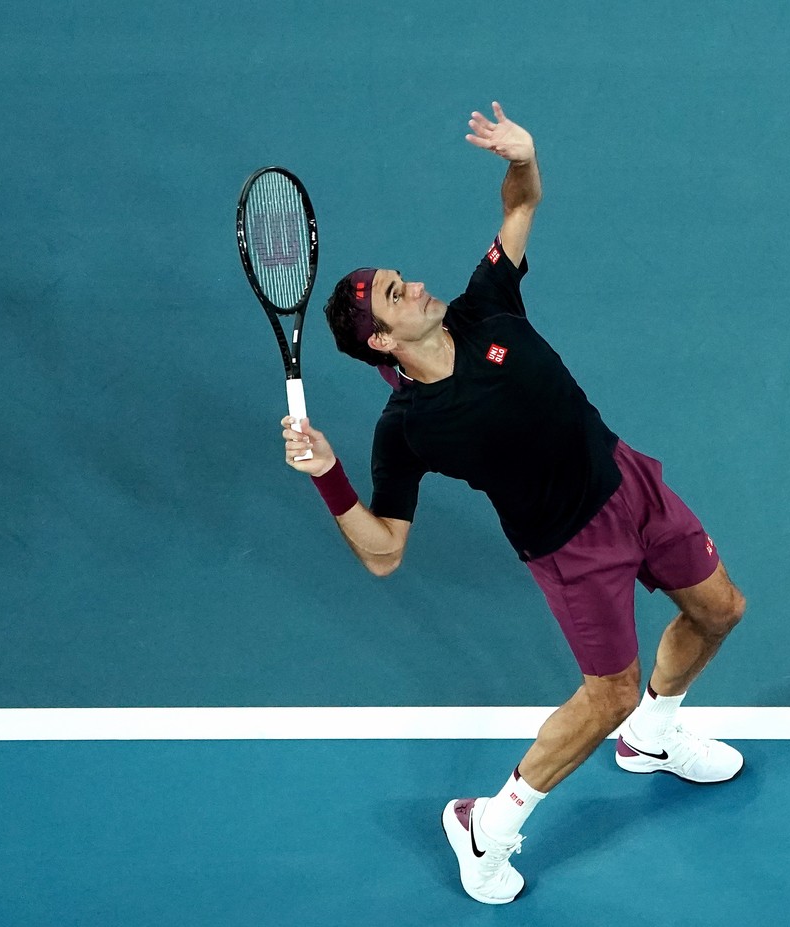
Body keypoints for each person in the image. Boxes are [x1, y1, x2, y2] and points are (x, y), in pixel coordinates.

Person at [278, 102, 746, 905]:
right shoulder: (408, 429)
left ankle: (657, 736)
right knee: (606, 693)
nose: (416, 284)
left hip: (626, 479)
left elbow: (519, 204)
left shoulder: (487, 302)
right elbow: (385, 550)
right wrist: (329, 474)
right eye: (396, 292)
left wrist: (523, 157)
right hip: (570, 546)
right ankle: (486, 826)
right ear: (381, 340)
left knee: (720, 609)